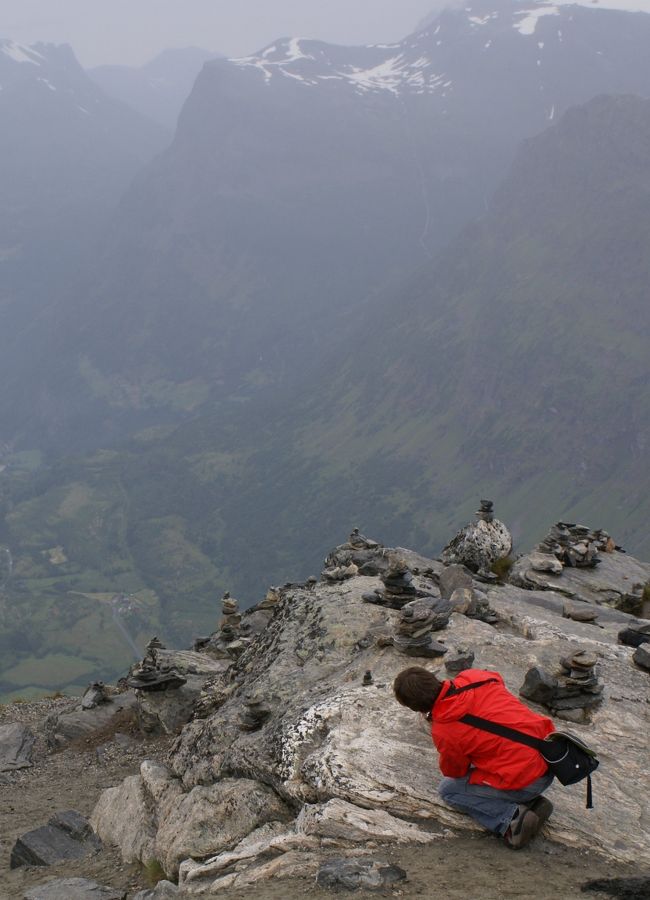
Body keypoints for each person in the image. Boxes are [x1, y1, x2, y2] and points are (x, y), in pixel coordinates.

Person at [393, 665, 555, 849]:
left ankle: (513, 819)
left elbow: (454, 771)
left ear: (416, 708)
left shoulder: (445, 730)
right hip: (550, 758)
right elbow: (497, 678)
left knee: (449, 790)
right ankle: (530, 802)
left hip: (527, 780)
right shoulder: (474, 677)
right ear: (433, 678)